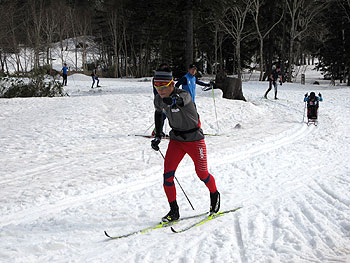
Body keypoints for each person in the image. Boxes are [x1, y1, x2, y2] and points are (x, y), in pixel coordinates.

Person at [151, 68, 220, 223]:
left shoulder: (183, 94)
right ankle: (173, 211)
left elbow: (181, 101)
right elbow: (158, 114)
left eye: (164, 87)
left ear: (171, 84)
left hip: (195, 139)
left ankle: (215, 194)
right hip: (176, 140)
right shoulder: (158, 99)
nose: (160, 90)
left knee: (202, 173)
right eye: (157, 87)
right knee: (167, 176)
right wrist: (158, 135)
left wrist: (173, 100)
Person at [151, 63, 169, 137]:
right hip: (159, 98)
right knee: (161, 114)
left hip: (165, 97)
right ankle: (156, 131)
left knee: (164, 115)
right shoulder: (156, 78)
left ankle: (159, 130)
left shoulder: (166, 77)